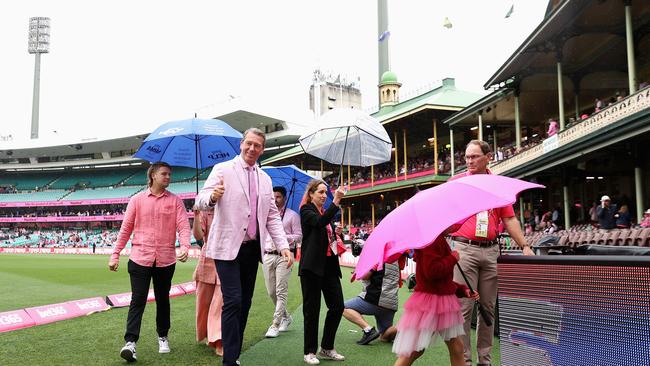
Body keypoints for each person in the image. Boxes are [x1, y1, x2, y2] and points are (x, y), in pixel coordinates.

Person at [195, 128, 293, 366]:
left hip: (251, 249)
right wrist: (212, 197)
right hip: (226, 248)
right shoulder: (223, 169)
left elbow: (271, 216)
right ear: (241, 144)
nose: (252, 148)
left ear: (262, 149)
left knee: (245, 302)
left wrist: (283, 246)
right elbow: (200, 200)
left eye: (257, 145)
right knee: (234, 300)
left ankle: (234, 354)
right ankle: (229, 361)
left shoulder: (265, 179)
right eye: (248, 143)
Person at [449, 140, 534, 366]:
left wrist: (525, 245)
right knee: (464, 309)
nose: (469, 161)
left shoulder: (497, 184)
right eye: (467, 157)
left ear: (488, 157)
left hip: (491, 251)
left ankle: (484, 360)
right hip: (464, 249)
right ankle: (464, 361)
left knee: (487, 309)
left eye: (474, 157)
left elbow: (509, 218)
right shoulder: (456, 183)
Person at [108, 162, 191, 362]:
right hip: (139, 258)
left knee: (163, 299)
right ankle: (130, 343)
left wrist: (186, 246)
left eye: (170, 174)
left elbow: (183, 226)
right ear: (153, 175)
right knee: (138, 300)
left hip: (166, 259)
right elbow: (126, 228)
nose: (168, 177)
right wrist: (115, 253)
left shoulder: (176, 201)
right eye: (164, 174)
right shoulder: (136, 200)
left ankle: (163, 336)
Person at [393, 235, 479, 366]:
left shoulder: (437, 239)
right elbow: (432, 271)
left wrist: (462, 290)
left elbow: (443, 283)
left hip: (442, 302)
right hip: (431, 303)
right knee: (415, 350)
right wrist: (452, 258)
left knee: (457, 347)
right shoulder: (432, 240)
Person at [299, 180, 346, 365]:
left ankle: (326, 348)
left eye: (326, 192)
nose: (324, 195)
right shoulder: (306, 210)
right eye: (320, 192)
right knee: (312, 310)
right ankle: (309, 351)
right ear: (311, 194)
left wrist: (335, 231)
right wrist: (336, 201)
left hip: (329, 267)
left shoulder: (324, 213)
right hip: (311, 267)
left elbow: (324, 229)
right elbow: (318, 223)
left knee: (337, 306)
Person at [263, 186, 302, 338]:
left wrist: (284, 237)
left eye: (278, 197)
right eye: (273, 197)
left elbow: (299, 236)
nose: (275, 199)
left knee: (281, 290)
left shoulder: (293, 215)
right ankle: (286, 316)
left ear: (284, 198)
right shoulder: (266, 215)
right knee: (271, 292)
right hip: (268, 255)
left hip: (285, 255)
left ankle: (275, 323)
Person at [342, 259, 401, 346]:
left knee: (341, 307)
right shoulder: (395, 260)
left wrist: (359, 270)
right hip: (391, 304)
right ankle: (405, 330)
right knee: (384, 336)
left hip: (375, 299)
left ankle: (368, 330)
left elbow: (365, 276)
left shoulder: (378, 257)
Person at [192, 205, 223, 356]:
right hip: (207, 259)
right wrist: (196, 216)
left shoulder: (231, 208)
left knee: (220, 303)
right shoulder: (205, 211)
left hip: (226, 258)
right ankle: (207, 334)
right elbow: (198, 236)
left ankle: (219, 340)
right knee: (203, 303)